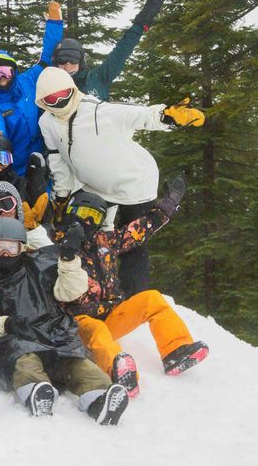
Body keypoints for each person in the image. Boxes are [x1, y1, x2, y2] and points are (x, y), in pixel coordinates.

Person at [35, 65, 205, 297]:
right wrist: (62, 196)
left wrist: (166, 116)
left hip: (134, 185)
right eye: (51, 99)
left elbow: (136, 115)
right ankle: (96, 293)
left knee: (133, 243)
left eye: (63, 94)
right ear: (42, 101)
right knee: (89, 239)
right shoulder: (47, 121)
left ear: (73, 90)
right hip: (94, 189)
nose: (59, 102)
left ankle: (136, 298)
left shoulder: (96, 110)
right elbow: (58, 160)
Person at [0, 217, 130, 424]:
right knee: (25, 361)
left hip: (54, 334)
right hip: (12, 340)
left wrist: (69, 259)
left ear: (22, 248)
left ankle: (99, 399)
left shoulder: (39, 265)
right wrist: (7, 324)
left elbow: (71, 292)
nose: (5, 254)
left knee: (77, 364)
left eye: (11, 248)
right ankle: (36, 392)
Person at [52, 186, 208, 397]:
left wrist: (167, 206)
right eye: (83, 214)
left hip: (112, 314)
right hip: (77, 322)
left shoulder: (104, 241)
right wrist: (66, 245)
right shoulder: (57, 244)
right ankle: (118, 371)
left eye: (94, 217)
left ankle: (176, 351)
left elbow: (136, 232)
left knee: (152, 298)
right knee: (97, 329)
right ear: (72, 213)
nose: (87, 222)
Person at [0, 1, 65, 177]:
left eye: (7, 72)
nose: (3, 78)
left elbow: (47, 58)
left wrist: (54, 23)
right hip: (14, 167)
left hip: (42, 159)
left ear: (13, 71)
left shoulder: (27, 80)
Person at [52, 0, 164, 101]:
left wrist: (139, 25)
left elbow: (121, 52)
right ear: (56, 63)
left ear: (80, 61)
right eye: (62, 60)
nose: (67, 66)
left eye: (73, 60)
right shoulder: (50, 86)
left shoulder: (97, 77)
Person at [0, 135, 50, 229]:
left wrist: (36, 181)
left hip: (19, 232)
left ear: (11, 160)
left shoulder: (19, 183)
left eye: (3, 158)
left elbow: (41, 212)